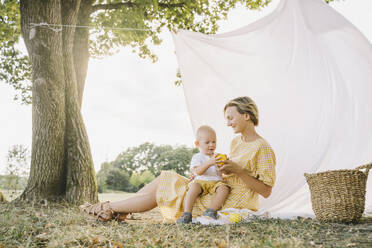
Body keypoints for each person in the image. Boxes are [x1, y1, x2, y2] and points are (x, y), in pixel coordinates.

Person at [80, 96, 276, 222]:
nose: (227, 123)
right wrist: (219, 170)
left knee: (166, 187)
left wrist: (238, 171)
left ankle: (108, 209)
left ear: (247, 116)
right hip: (215, 187)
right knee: (166, 179)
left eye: (231, 117)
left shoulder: (263, 147)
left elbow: (266, 191)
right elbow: (228, 174)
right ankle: (118, 209)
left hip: (229, 200)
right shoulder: (237, 142)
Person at [176, 125, 230, 224]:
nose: (211, 145)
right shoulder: (197, 157)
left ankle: (211, 211)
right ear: (197, 144)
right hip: (201, 181)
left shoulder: (218, 156)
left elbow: (222, 173)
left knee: (224, 188)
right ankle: (187, 213)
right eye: (207, 142)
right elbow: (197, 171)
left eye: (214, 142)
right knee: (193, 188)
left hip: (216, 182)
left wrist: (224, 165)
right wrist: (209, 162)